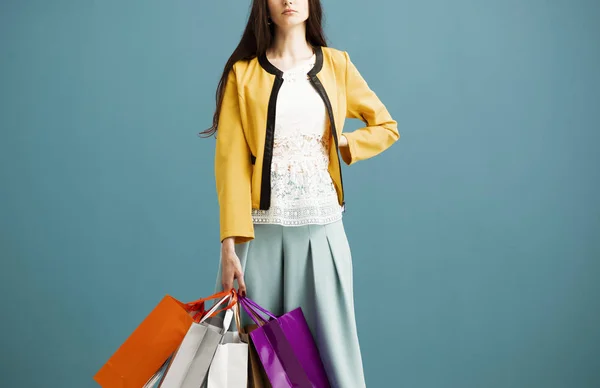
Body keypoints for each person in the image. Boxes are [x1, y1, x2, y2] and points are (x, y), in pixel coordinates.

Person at [202, 0, 399, 386]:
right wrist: (228, 247)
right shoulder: (242, 75)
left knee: (331, 358)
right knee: (250, 362)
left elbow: (386, 126)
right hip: (258, 240)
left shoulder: (337, 65)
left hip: (322, 235)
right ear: (265, 8)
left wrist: (345, 144)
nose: (289, 0)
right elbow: (230, 165)